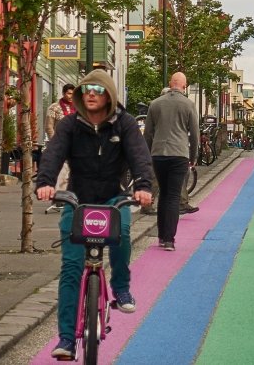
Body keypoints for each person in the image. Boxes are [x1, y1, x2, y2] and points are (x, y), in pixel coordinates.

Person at [36, 71, 154, 360]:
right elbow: (54, 153)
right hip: (77, 199)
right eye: (86, 89)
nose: (90, 94)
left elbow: (139, 155)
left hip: (113, 196)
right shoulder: (70, 125)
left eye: (97, 90)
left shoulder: (124, 124)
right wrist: (45, 182)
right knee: (71, 269)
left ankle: (121, 288)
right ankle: (65, 338)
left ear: (109, 95)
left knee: (123, 231)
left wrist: (143, 186)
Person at [144, 72, 199, 251]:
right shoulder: (188, 104)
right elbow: (194, 134)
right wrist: (193, 156)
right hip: (179, 154)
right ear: (185, 86)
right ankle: (169, 239)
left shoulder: (155, 104)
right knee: (174, 196)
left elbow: (148, 133)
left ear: (170, 83)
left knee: (163, 194)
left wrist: (148, 153)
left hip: (158, 154)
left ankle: (161, 236)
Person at [43, 84, 78, 213]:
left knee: (72, 173)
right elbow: (49, 127)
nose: (71, 97)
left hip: (75, 146)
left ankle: (69, 197)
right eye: (69, 94)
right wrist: (55, 143)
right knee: (61, 173)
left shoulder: (78, 108)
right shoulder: (55, 108)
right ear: (63, 93)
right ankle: (59, 199)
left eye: (73, 94)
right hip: (60, 145)